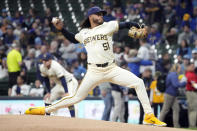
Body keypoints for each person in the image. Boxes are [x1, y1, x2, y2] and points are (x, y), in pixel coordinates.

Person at [25, 6, 166, 126]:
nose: (101, 16)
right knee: (76, 98)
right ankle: (45, 110)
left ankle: (148, 116)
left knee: (139, 82)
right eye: (98, 14)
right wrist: (62, 29)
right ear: (91, 16)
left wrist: (139, 26)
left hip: (112, 69)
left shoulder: (108, 25)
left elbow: (127, 23)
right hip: (94, 71)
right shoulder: (84, 33)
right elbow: (73, 39)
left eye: (102, 14)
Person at [38, 53, 78, 117]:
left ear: (50, 60)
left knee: (69, 99)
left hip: (70, 82)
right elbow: (46, 80)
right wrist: (48, 92)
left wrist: (66, 92)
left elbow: (63, 79)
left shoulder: (55, 66)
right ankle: (48, 117)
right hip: (59, 84)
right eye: (43, 60)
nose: (44, 62)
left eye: (46, 60)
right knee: (48, 99)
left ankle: (74, 119)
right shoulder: (42, 67)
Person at [159, 63, 186, 128]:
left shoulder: (173, 74)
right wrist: (184, 82)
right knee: (165, 109)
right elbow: (175, 85)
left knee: (176, 109)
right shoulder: (173, 74)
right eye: (179, 68)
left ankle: (176, 126)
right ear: (176, 68)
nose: (180, 69)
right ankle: (158, 124)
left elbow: (175, 84)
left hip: (173, 94)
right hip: (169, 95)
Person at [185, 62, 197, 128]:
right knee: (194, 109)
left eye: (193, 66)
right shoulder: (190, 74)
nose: (193, 67)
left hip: (191, 92)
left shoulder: (192, 73)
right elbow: (194, 85)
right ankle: (192, 125)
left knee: (191, 109)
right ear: (188, 67)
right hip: (191, 92)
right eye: (191, 66)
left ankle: (191, 125)